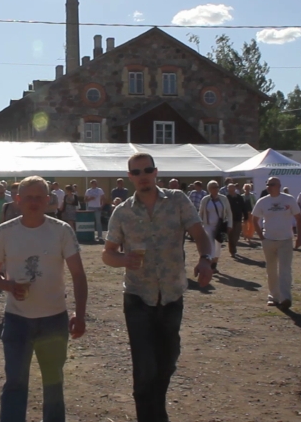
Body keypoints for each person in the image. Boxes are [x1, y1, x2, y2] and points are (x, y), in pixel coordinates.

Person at [102, 152, 213, 422]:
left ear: (155, 172)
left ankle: (157, 410)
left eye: (147, 170)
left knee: (167, 361)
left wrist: (205, 259)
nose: (142, 176)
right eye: (136, 172)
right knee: (144, 368)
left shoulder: (177, 200)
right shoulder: (122, 211)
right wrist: (123, 259)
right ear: (130, 177)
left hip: (171, 294)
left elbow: (199, 233)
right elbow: (108, 253)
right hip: (138, 297)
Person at [0, 176, 88, 422]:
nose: (34, 202)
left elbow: (78, 274)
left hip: (54, 319)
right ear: (18, 200)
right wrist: (9, 286)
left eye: (39, 197)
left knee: (53, 384)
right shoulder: (5, 232)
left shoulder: (61, 230)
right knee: (15, 383)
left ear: (48, 200)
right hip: (17, 319)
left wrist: (80, 314)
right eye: (28, 197)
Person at [252, 177, 301, 309]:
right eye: (267, 184)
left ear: (279, 186)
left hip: (285, 240)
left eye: (272, 184)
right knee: (271, 269)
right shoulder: (263, 201)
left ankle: (285, 297)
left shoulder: (289, 199)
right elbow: (254, 219)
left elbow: (298, 217)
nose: (269, 187)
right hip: (268, 239)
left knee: (285, 269)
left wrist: (299, 236)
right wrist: (261, 236)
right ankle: (273, 296)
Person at [199, 181, 232, 272]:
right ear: (209, 189)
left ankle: (214, 263)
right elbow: (200, 213)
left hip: (220, 226)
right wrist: (199, 225)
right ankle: (211, 266)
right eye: (213, 187)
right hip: (208, 225)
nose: (216, 189)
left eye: (217, 187)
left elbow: (229, 212)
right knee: (211, 245)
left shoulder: (223, 198)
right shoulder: (205, 199)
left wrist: (230, 225)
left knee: (218, 245)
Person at [225, 183, 246, 257]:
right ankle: (232, 251)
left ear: (235, 189)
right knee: (231, 236)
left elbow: (243, 207)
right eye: (229, 189)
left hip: (238, 219)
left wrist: (245, 216)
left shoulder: (239, 198)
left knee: (237, 234)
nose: (231, 190)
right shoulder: (226, 198)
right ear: (228, 189)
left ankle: (234, 246)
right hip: (229, 220)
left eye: (232, 188)